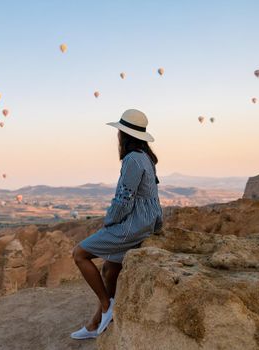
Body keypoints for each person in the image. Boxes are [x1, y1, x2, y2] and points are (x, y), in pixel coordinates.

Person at [71, 109, 163, 340]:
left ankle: (106, 306)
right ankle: (95, 325)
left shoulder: (132, 159)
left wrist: (110, 221)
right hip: (146, 220)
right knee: (110, 269)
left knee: (80, 254)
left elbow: (124, 198)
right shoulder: (146, 157)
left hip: (134, 223)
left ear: (123, 134)